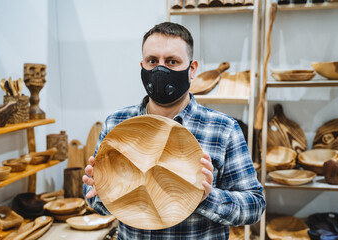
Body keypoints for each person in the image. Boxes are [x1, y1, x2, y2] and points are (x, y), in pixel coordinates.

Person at [83, 22, 265, 239]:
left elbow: (254, 206)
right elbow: (94, 198)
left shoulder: (223, 129)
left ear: (192, 69)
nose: (161, 69)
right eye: (153, 61)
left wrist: (206, 198)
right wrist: (98, 191)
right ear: (142, 66)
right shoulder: (117, 124)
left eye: (172, 61)